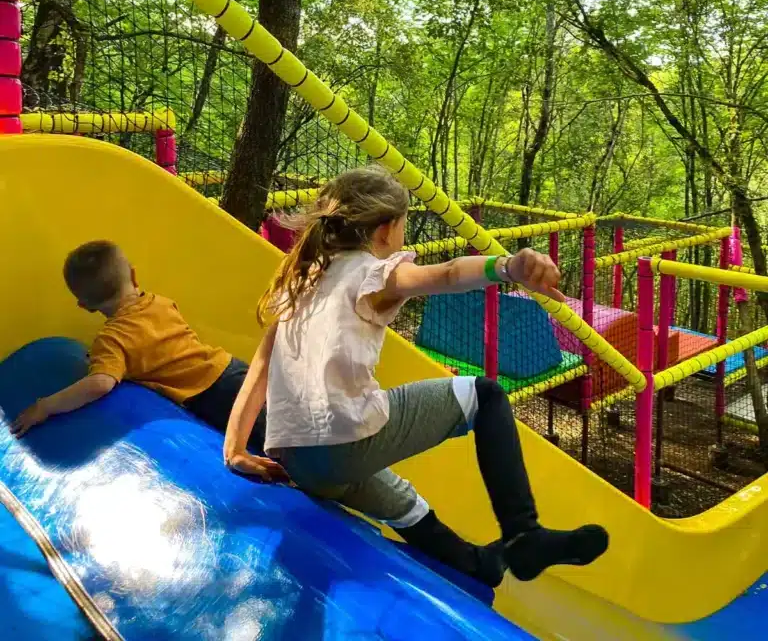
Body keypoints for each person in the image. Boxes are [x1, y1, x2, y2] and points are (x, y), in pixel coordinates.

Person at [224, 167, 609, 586]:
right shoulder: (372, 271)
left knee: (404, 504)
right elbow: (444, 274)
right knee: (485, 395)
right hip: (343, 444)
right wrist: (508, 267)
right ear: (387, 230)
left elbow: (260, 369)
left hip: (299, 461)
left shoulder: (302, 280)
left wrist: (235, 450)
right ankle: (524, 533)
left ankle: (482, 565)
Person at [11, 240, 286, 483]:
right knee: (291, 421)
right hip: (232, 369)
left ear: (85, 305)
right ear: (133, 274)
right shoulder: (161, 303)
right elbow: (156, 345)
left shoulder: (111, 339)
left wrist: (45, 406)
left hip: (211, 396)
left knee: (283, 445)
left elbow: (100, 384)